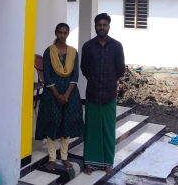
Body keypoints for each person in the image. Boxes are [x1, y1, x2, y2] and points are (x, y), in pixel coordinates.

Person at [80, 13, 126, 176]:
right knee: (91, 130)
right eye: (99, 25)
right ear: (95, 26)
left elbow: (121, 69)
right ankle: (90, 164)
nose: (102, 27)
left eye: (105, 25)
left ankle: (108, 164)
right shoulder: (88, 46)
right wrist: (94, 80)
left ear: (109, 26)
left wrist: (108, 81)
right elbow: (84, 68)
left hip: (109, 95)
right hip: (92, 94)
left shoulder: (116, 46)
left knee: (107, 129)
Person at [35, 23, 84, 170]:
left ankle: (64, 157)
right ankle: (51, 158)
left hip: (70, 95)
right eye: (60, 32)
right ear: (56, 33)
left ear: (68, 34)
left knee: (66, 124)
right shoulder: (48, 52)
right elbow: (47, 75)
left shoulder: (73, 52)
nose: (62, 35)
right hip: (52, 94)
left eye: (65, 33)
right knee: (52, 123)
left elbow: (75, 75)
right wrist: (57, 95)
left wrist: (66, 94)